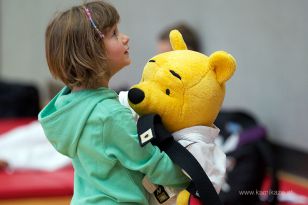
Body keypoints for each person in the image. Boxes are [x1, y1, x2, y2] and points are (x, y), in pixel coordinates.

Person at [39, 1, 189, 205]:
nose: (126, 38)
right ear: (90, 50)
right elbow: (153, 164)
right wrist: (195, 174)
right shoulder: (108, 115)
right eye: (114, 34)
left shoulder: (69, 106)